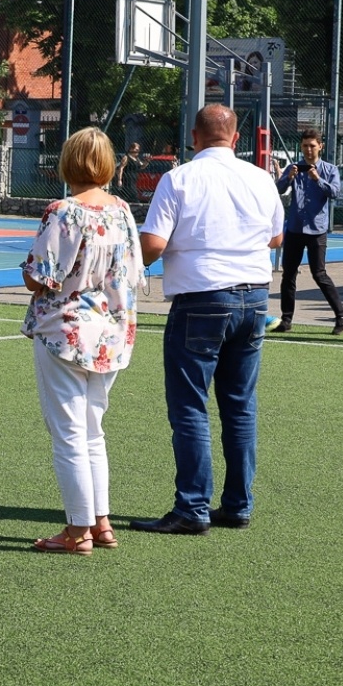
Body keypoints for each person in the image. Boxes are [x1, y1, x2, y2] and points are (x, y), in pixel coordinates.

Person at [133, 104, 284, 535]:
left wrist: (130, 265)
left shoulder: (178, 178)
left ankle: (192, 508)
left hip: (201, 297)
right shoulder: (260, 178)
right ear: (235, 139)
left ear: (193, 137)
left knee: (189, 407)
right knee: (239, 408)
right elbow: (276, 235)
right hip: (254, 298)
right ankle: (238, 505)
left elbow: (154, 245)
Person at [21, 129, 146, 554]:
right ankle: (100, 522)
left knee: (69, 433)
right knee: (93, 431)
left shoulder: (64, 211)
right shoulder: (123, 210)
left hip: (66, 330)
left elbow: (38, 277)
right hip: (111, 332)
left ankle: (77, 530)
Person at [272, 129, 343, 335]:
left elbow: (335, 193)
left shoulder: (329, 169)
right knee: (288, 274)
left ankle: (341, 315)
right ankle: (286, 319)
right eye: (305, 145)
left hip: (317, 230)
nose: (308, 149)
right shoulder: (294, 167)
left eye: (312, 145)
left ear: (320, 146)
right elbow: (276, 190)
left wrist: (317, 179)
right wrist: (287, 178)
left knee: (319, 274)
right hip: (295, 228)